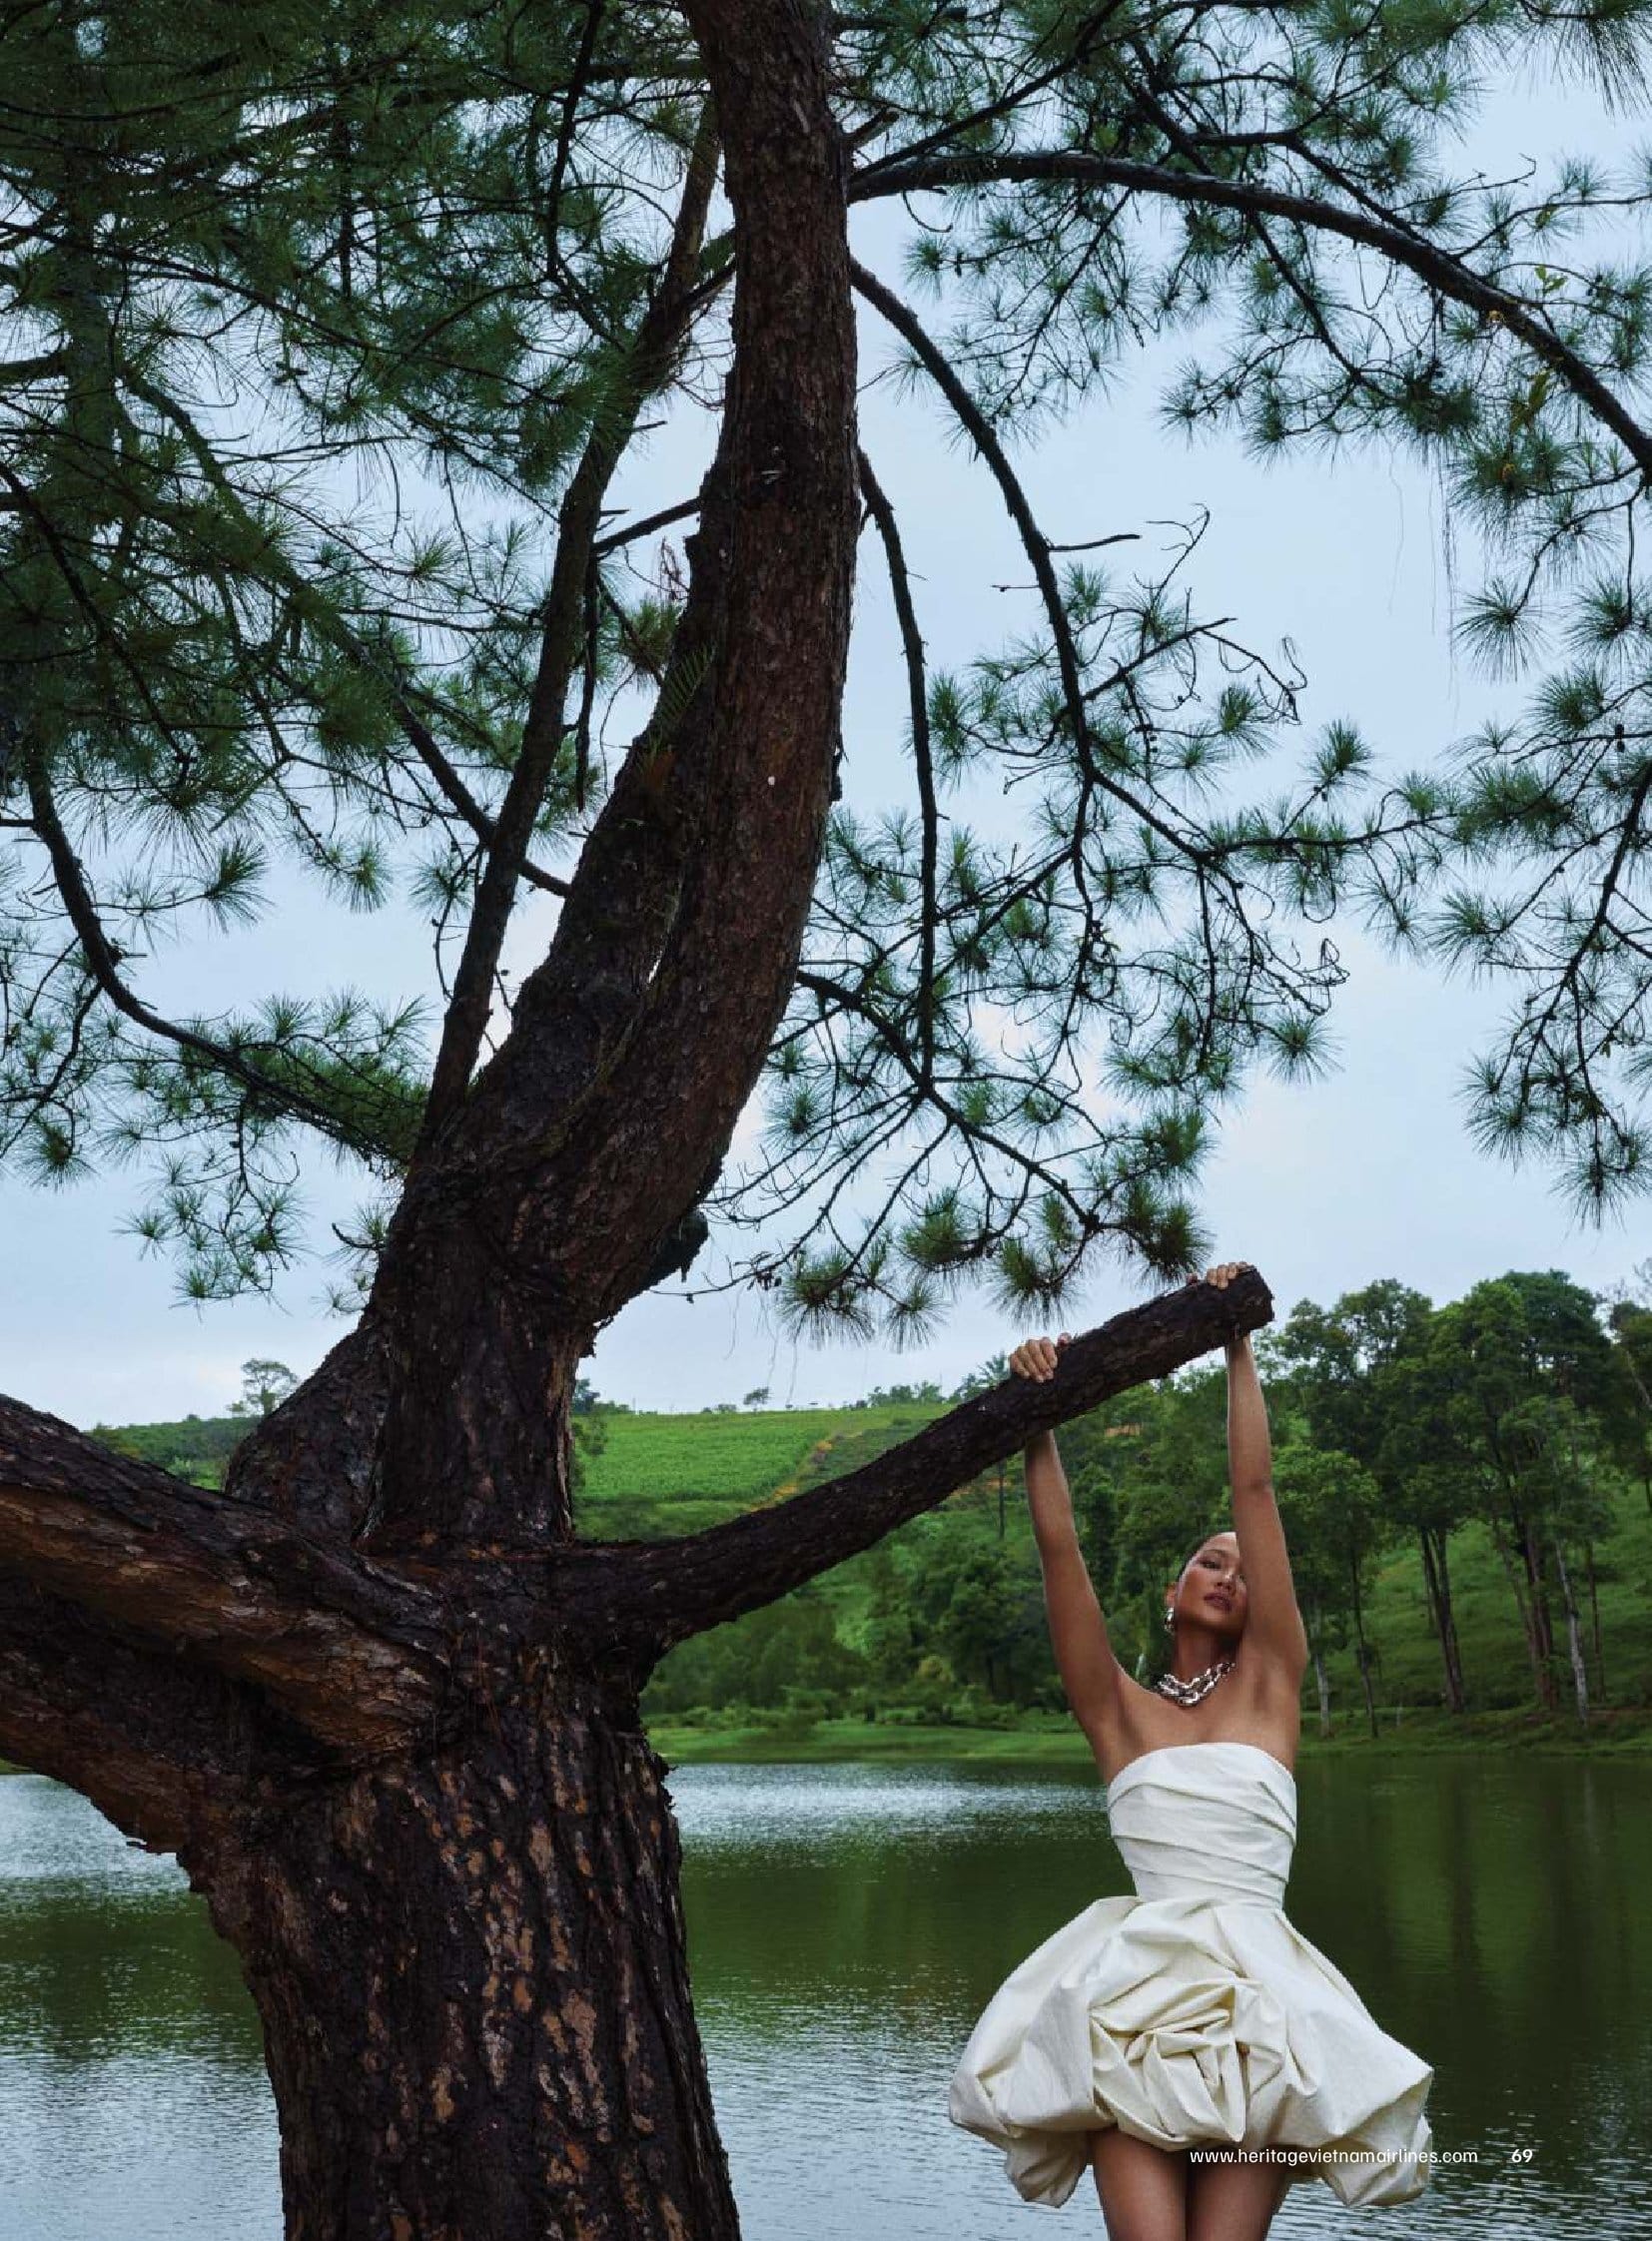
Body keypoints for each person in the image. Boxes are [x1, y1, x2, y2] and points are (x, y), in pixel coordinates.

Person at [947, 1262, 1434, 2240]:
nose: (1228, 1574)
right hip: (1131, 2006)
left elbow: (1253, 1487)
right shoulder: (1116, 1715)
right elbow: (1060, 1554)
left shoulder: (1272, 1684)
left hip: (1262, 2011)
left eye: (1242, 1571)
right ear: (1172, 1592)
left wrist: (1233, 1338)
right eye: (1209, 1561)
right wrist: (1034, 1417)